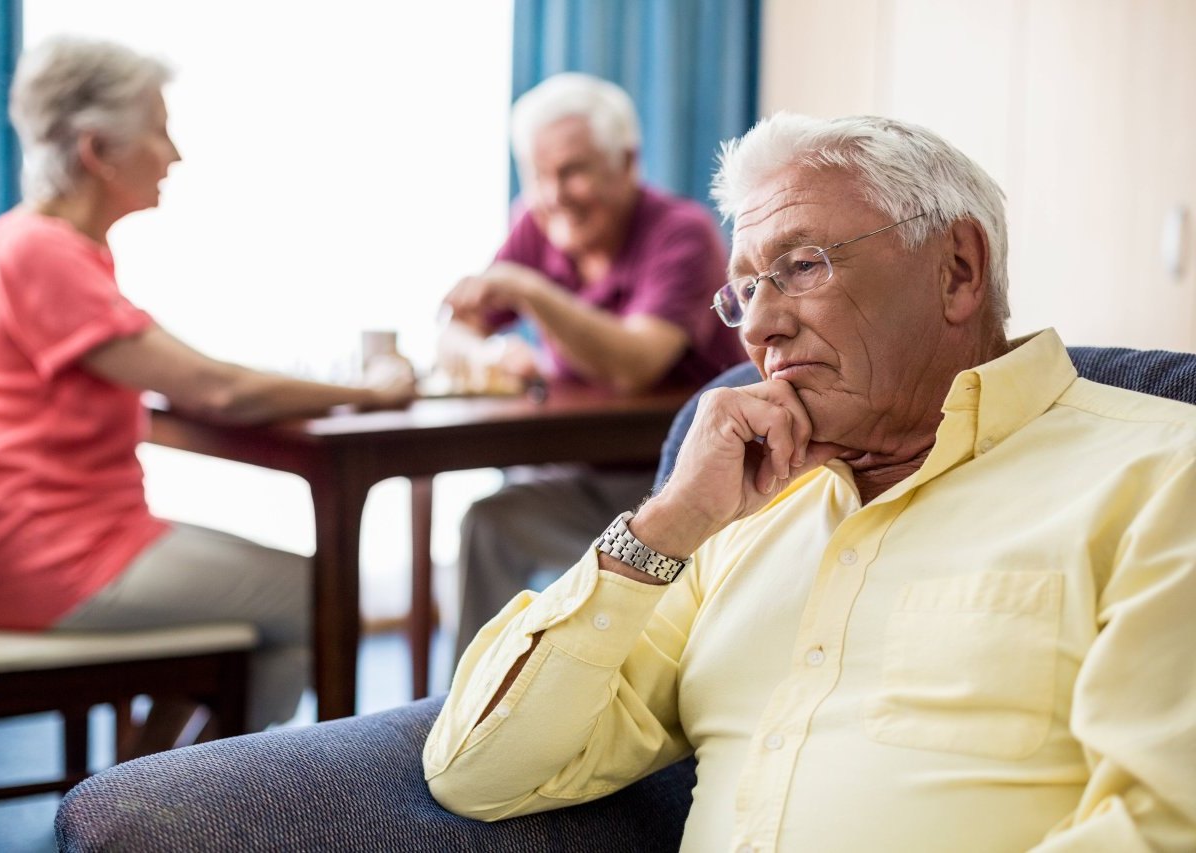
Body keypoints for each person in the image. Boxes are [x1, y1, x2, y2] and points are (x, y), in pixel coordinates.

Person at [424, 113, 1196, 851]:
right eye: (746, 289)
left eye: (800, 266)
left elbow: (1161, 826)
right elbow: (478, 771)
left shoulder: (1164, 473)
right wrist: (671, 520)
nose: (758, 327)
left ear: (957, 271)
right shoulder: (735, 516)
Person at [0, 37, 415, 750]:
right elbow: (216, 389)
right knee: (323, 597)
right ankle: (170, 796)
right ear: (97, 149)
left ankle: (146, 781)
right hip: (61, 557)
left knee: (280, 614)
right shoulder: (44, 252)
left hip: (68, 538)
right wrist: (368, 392)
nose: (175, 154)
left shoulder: (39, 244)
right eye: (158, 128)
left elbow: (175, 377)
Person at [438, 72, 744, 660]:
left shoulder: (681, 233)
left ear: (627, 162)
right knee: (488, 523)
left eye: (573, 170)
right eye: (538, 175)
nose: (555, 193)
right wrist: (491, 354)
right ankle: (465, 708)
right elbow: (458, 325)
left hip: (675, 485)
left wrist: (527, 289)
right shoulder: (538, 220)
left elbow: (635, 363)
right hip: (578, 473)